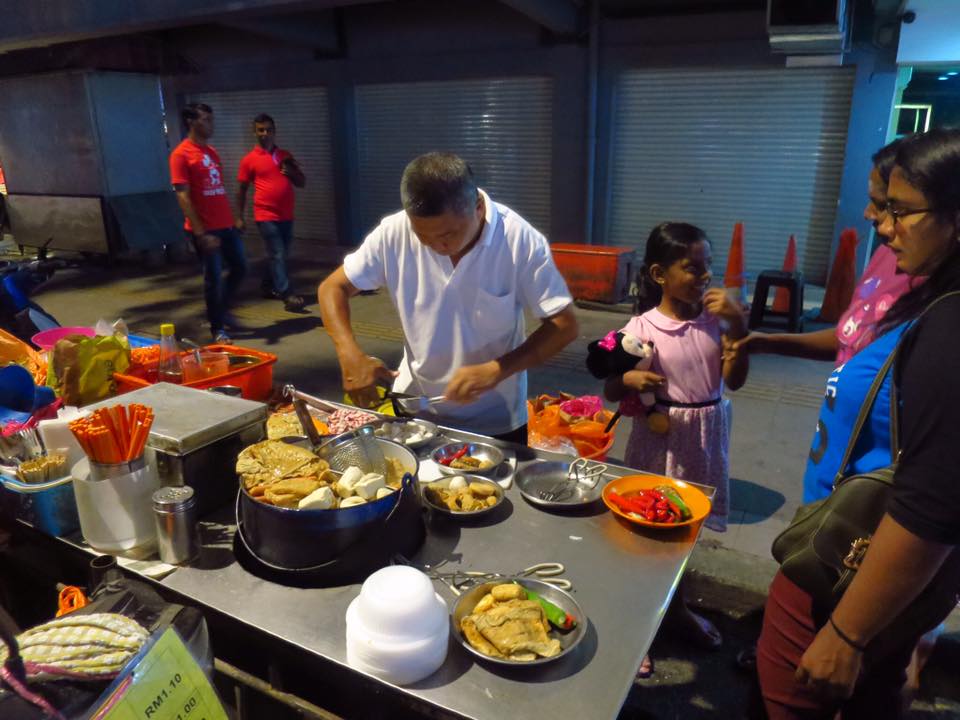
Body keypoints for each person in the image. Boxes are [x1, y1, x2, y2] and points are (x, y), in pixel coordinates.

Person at [755, 128, 960, 719]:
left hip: (855, 559)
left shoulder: (949, 321)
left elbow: (935, 503)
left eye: (898, 209)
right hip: (842, 536)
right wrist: (770, 340)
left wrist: (845, 634)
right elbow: (855, 345)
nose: (879, 222)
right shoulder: (920, 286)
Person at [317, 152, 578, 441]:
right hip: (416, 407)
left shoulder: (519, 240)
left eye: (449, 234)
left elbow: (564, 325)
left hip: (495, 418)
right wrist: (349, 354)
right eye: (423, 236)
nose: (437, 245)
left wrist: (497, 369)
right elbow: (332, 288)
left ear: (478, 208)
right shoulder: (393, 232)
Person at [603, 221, 749, 677]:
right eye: (692, 267)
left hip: (704, 439)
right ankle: (636, 625)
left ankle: (677, 609)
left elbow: (736, 380)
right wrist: (628, 378)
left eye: (708, 266)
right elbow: (610, 387)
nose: (705, 276)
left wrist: (740, 325)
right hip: (659, 439)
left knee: (686, 534)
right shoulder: (639, 327)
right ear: (659, 274)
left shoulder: (718, 323)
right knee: (647, 536)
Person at [734, 138, 917, 370]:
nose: (867, 214)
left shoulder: (937, 293)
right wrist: (769, 342)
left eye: (883, 205)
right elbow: (851, 335)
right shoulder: (886, 254)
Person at [170, 103, 247, 343]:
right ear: (192, 122)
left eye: (211, 119)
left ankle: (220, 310)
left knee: (240, 268)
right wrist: (201, 233)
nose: (211, 124)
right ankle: (217, 329)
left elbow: (219, 190)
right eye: (206, 120)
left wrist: (234, 217)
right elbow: (183, 196)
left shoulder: (211, 151)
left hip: (226, 225)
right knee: (213, 278)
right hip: (206, 229)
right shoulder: (180, 155)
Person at [236, 113, 306, 312]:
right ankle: (287, 294)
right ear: (255, 132)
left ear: (274, 132)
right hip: (265, 215)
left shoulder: (285, 156)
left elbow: (302, 182)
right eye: (260, 130)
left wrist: (292, 173)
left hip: (286, 215)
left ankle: (267, 285)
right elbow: (241, 189)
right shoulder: (249, 160)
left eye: (268, 130)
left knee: (278, 255)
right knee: (278, 253)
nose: (265, 134)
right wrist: (239, 217)